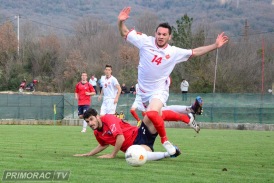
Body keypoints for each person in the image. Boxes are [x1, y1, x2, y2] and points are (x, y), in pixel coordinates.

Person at [118, 7, 228, 155]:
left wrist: (215, 46)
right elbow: (124, 32)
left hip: (159, 91)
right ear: (155, 33)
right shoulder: (145, 41)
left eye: (164, 34)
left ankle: (165, 141)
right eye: (159, 34)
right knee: (156, 116)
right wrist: (121, 21)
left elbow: (195, 52)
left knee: (152, 113)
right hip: (143, 93)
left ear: (169, 37)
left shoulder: (173, 52)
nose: (161, 37)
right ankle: (188, 113)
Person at [73, 108, 180, 160]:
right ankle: (170, 153)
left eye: (91, 119)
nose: (90, 123)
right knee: (140, 156)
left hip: (139, 133)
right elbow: (103, 144)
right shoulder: (97, 133)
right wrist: (89, 154)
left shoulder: (108, 119)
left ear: (97, 117)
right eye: (87, 122)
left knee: (153, 113)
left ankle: (185, 115)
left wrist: (112, 155)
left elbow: (120, 138)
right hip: (136, 146)